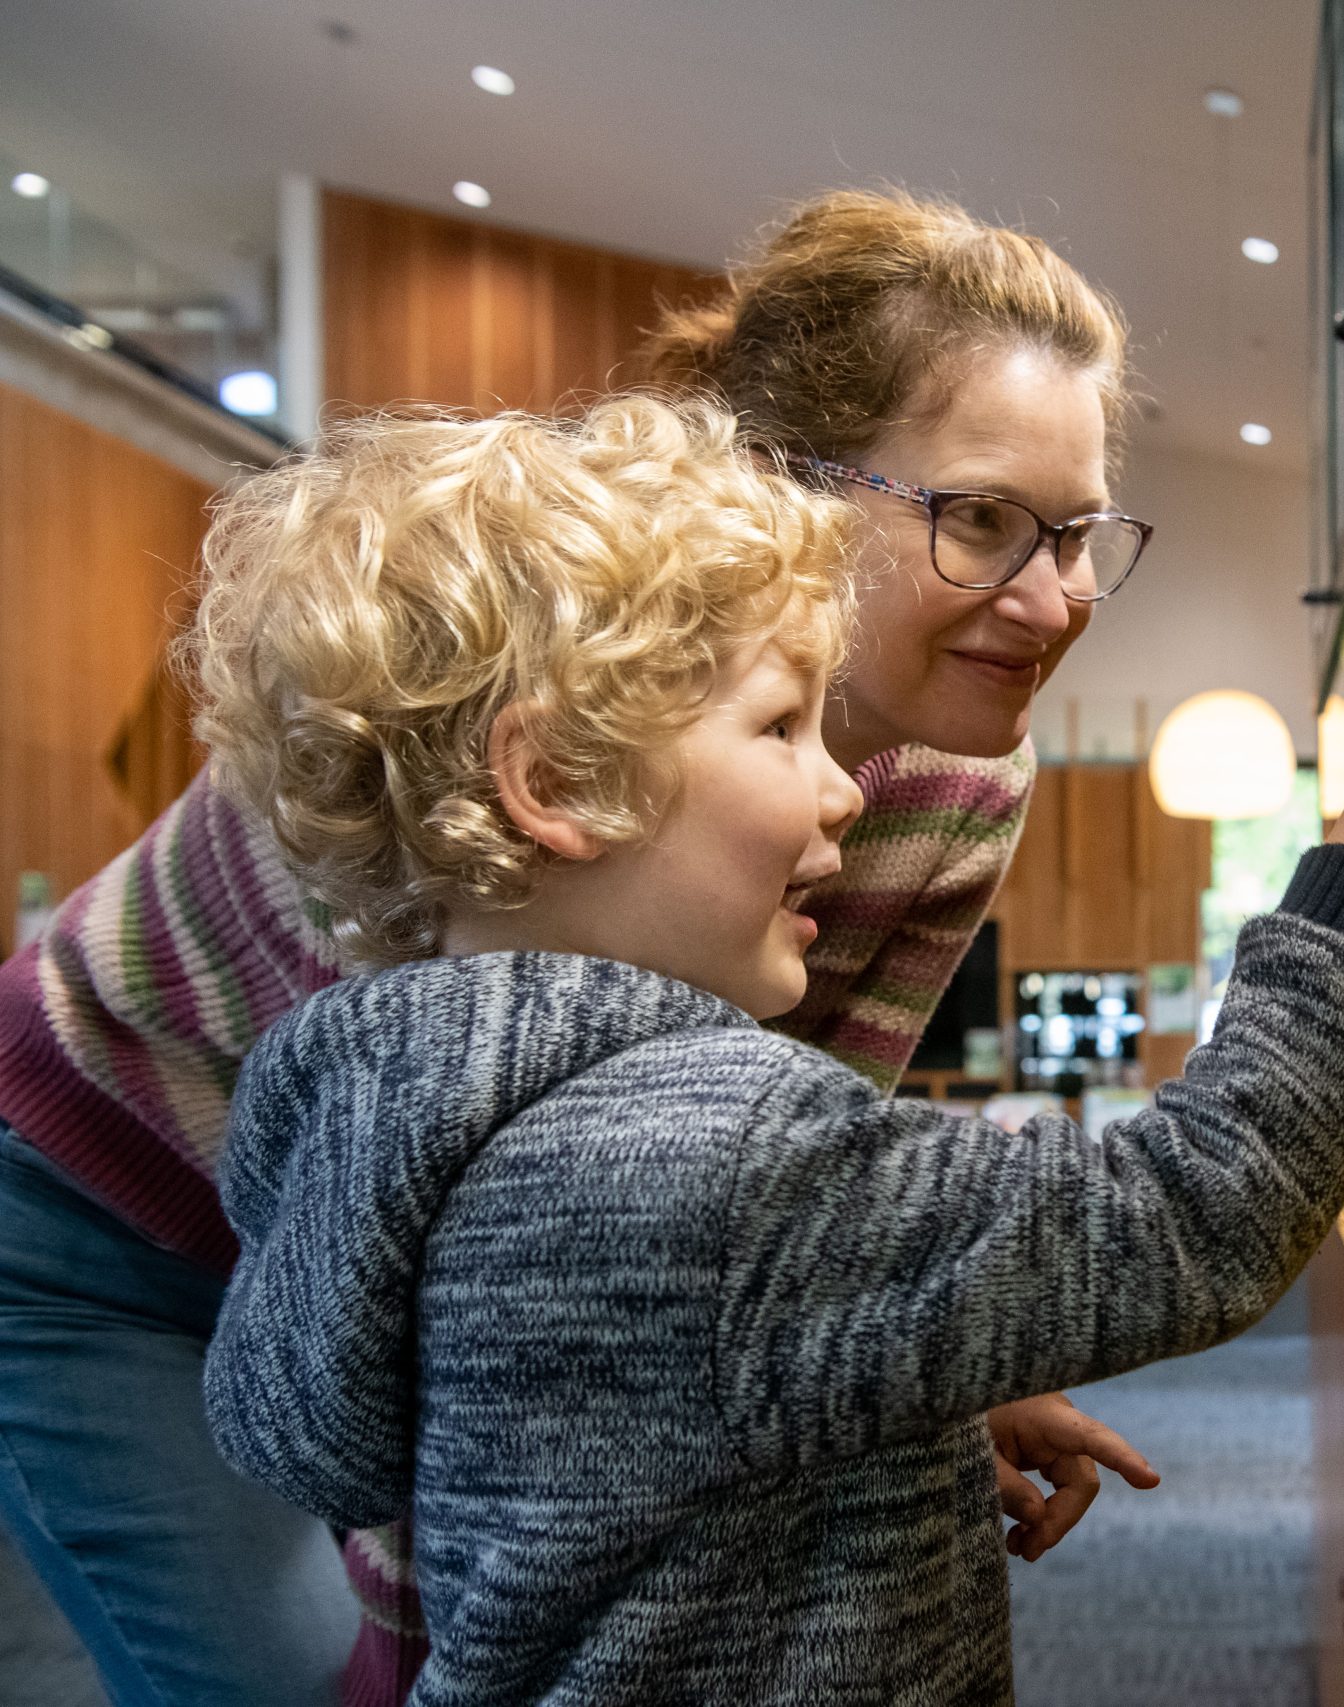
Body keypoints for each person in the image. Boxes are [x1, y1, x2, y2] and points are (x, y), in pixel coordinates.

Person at [189, 397, 1344, 1707]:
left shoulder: (413, 1132)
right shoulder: (702, 1150)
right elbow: (1190, 1220)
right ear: (554, 786)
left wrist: (898, 1397)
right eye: (779, 727)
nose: (840, 787)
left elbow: (651, 1430)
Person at [0, 187, 1145, 1707]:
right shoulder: (493, 686)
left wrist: (931, 1357)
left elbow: (782, 1160)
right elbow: (471, 1313)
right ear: (785, 480)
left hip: (389, 1246)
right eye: (984, 520)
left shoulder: (959, 781)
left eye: (1076, 533)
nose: (1059, 597)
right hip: (98, 1218)